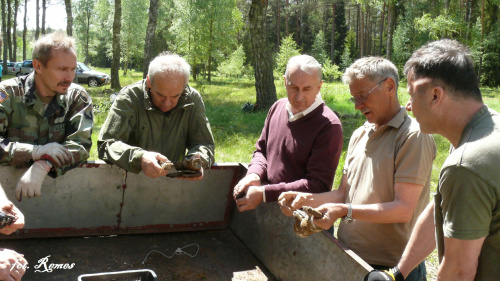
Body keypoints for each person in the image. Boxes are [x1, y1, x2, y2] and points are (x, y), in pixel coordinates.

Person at [279, 57, 436, 281]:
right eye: (354, 98)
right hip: (349, 258)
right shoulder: (360, 133)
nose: (357, 105)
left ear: (390, 86)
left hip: (392, 270)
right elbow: (343, 194)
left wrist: (344, 211)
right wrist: (304, 199)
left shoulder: (413, 135)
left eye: (363, 96)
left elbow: (403, 209)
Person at [366, 39, 500, 281]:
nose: (407, 106)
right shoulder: (485, 127)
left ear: (435, 95)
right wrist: (398, 273)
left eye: (411, 95)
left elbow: (459, 271)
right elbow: (440, 208)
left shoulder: (466, 164)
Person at [233, 55, 343, 212]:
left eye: (306, 89)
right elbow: (262, 150)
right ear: (285, 82)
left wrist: (264, 193)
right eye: (293, 88)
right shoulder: (277, 107)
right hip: (272, 211)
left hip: (304, 220)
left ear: (319, 86)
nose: (299, 97)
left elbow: (317, 185)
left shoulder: (328, 125)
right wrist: (254, 174)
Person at [0, 32, 93, 202]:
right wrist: (34, 152)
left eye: (73, 69)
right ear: (38, 66)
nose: (70, 78)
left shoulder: (77, 97)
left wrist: (44, 164)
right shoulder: (7, 94)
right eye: (62, 69)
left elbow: (81, 145)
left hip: (59, 199)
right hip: (5, 194)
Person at [98, 52, 215, 179]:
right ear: (149, 82)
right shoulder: (130, 97)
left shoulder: (192, 99)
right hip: (129, 181)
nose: (167, 103)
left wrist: (197, 160)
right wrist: (140, 158)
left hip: (175, 184)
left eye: (176, 96)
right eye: (160, 95)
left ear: (184, 86)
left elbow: (204, 144)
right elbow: (107, 144)